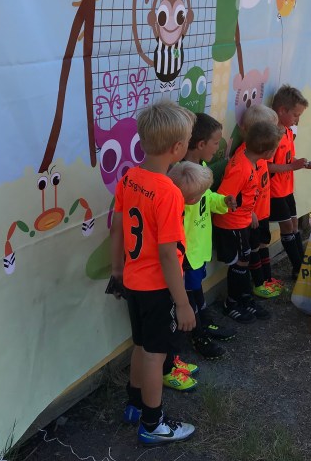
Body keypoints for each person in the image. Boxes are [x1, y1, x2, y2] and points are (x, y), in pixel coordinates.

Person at [110, 101, 197, 445]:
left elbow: (116, 227)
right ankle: (152, 422)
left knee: (142, 346)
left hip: (133, 281)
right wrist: (183, 303)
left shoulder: (130, 177)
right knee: (155, 354)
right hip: (158, 289)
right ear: (177, 148)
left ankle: (134, 405)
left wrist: (117, 269)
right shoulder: (168, 192)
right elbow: (166, 253)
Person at [213, 120, 282, 322]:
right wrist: (239, 209)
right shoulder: (241, 168)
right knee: (240, 262)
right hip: (232, 224)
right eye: (274, 149)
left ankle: (245, 298)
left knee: (244, 261)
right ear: (267, 151)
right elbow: (225, 198)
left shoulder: (251, 161)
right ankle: (232, 303)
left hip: (243, 220)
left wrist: (250, 212)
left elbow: (244, 194)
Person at [168, 159, 236, 360]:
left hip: (199, 251)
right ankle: (198, 337)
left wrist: (222, 202)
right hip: (187, 257)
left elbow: (210, 197)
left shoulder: (196, 186)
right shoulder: (177, 207)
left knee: (197, 291)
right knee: (189, 297)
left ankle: (204, 323)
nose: (204, 194)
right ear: (189, 199)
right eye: (200, 194)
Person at [269, 85, 311, 280]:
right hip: (274, 191)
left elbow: (287, 160)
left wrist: (305, 164)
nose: (297, 120)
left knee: (294, 224)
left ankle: (301, 265)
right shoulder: (271, 135)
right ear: (282, 110)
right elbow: (267, 167)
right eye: (296, 115)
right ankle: (299, 268)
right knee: (287, 228)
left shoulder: (288, 132)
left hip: (287, 188)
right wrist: (293, 166)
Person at [237, 104, 283, 298]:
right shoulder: (245, 157)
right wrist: (251, 212)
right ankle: (258, 283)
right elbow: (241, 191)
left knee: (264, 243)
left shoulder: (262, 154)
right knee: (254, 248)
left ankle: (267, 279)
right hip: (253, 215)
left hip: (264, 210)